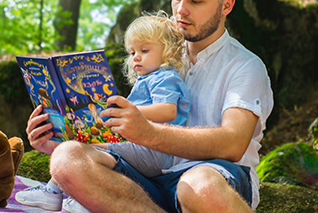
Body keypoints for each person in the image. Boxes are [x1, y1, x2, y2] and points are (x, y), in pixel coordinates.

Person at [26, 0, 273, 212]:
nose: (181, 10)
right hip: (148, 180)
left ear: (227, 6)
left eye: (195, 1)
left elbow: (233, 143)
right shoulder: (159, 55)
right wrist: (58, 136)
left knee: (199, 184)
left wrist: (148, 132)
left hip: (214, 177)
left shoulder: (246, 66)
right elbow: (129, 141)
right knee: (66, 158)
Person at [16, 13, 191, 211]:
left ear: (169, 51)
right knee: (80, 146)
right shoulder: (149, 79)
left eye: (144, 50)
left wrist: (129, 111)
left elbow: (168, 111)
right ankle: (65, 194)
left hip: (152, 152)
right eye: (132, 52)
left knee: (86, 149)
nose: (136, 57)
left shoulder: (166, 77)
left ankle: (59, 194)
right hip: (139, 147)